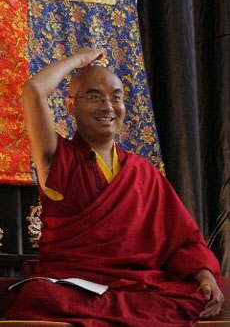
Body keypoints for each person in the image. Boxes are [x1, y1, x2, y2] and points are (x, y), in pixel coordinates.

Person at [6, 48, 225, 326]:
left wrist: (204, 274)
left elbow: (181, 238)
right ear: (70, 106)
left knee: (205, 293)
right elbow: (34, 89)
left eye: (116, 97)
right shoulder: (58, 158)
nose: (108, 107)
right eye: (94, 96)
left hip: (135, 283)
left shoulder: (143, 172)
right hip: (73, 284)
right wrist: (79, 61)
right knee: (41, 294)